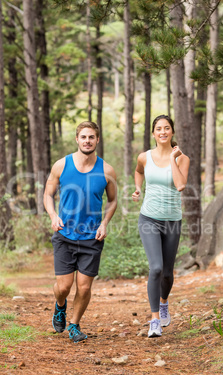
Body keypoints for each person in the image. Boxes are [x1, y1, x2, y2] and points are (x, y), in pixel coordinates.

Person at [44, 121, 117, 343]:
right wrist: (53, 216)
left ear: (97, 140)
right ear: (77, 139)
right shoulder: (61, 165)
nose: (87, 141)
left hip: (92, 237)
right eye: (83, 137)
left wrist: (105, 222)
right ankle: (60, 306)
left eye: (91, 137)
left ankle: (74, 325)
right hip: (65, 235)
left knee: (84, 287)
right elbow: (48, 195)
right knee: (64, 287)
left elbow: (113, 200)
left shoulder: (106, 170)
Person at [132, 115, 190, 338]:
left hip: (172, 220)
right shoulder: (144, 157)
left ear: (172, 132)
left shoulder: (182, 158)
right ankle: (155, 319)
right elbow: (138, 171)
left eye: (167, 128)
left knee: (167, 273)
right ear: (153, 133)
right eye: (159, 129)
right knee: (155, 268)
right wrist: (138, 188)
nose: (163, 132)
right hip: (149, 218)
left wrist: (174, 159)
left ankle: (164, 302)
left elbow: (180, 185)